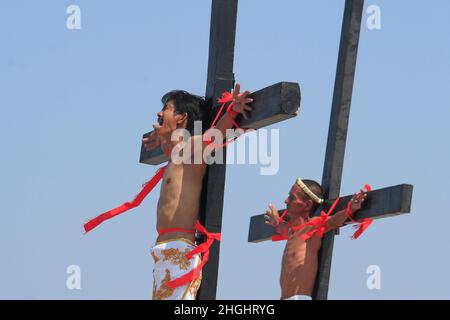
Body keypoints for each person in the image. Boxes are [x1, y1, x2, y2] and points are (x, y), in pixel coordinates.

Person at [143, 84, 252, 300]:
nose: (159, 113)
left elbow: (215, 136)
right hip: (162, 251)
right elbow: (169, 143)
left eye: (165, 108)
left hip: (180, 251)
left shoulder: (191, 148)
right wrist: (163, 137)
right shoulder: (174, 153)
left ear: (182, 118)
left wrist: (233, 110)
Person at [264, 179, 368, 300]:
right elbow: (282, 227)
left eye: (291, 197)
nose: (286, 201)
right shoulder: (291, 231)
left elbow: (332, 221)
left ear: (307, 205)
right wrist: (276, 222)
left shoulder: (312, 226)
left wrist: (351, 209)